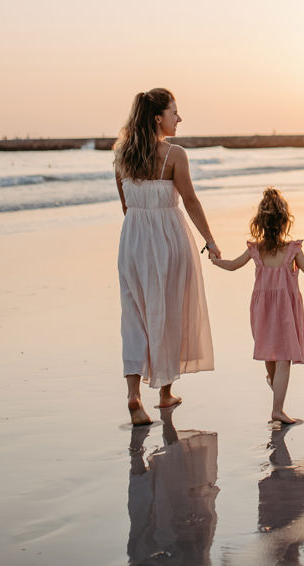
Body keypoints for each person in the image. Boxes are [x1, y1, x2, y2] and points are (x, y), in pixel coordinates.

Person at [115, 88, 220, 426]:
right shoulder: (175, 154)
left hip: (132, 241)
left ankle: (133, 396)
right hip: (169, 239)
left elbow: (126, 207)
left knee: (134, 315)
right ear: (158, 117)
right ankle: (164, 394)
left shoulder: (120, 156)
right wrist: (210, 239)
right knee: (169, 312)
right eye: (175, 112)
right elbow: (190, 200)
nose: (179, 118)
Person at [210, 188, 304, 425]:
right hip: (286, 311)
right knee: (284, 357)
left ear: (260, 223)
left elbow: (232, 265)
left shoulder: (256, 250)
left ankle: (275, 392)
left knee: (271, 352)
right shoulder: (292, 250)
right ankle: (277, 410)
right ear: (284, 222)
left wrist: (215, 259)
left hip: (261, 310)